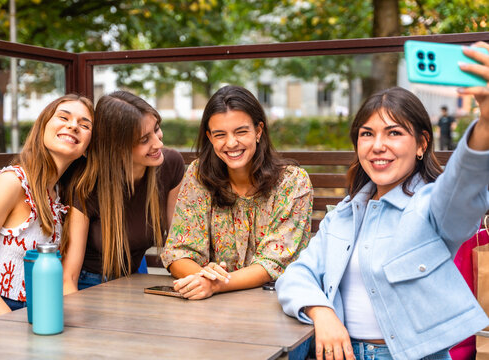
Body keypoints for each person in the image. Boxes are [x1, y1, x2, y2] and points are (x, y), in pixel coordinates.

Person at [277, 63, 489, 360]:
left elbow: (463, 186)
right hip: (339, 352)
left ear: (422, 144)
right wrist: (321, 312)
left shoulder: (431, 206)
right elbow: (296, 275)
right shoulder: (343, 214)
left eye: (393, 133)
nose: (378, 146)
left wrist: (485, 125)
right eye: (367, 134)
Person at [0, 94, 94, 328]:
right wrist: (10, 324)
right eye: (63, 117)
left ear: (87, 148)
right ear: (42, 128)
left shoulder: (59, 196)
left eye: (84, 125)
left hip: (37, 312)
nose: (73, 125)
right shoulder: (12, 182)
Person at [161, 85, 313, 300]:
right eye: (220, 134)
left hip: (276, 302)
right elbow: (179, 253)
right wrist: (204, 280)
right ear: (209, 137)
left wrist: (215, 285)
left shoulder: (292, 182)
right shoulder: (199, 175)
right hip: (211, 305)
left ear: (258, 131)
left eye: (241, 131)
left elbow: (274, 262)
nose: (231, 143)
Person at [62, 90, 184, 293]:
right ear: (117, 148)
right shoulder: (88, 184)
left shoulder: (171, 165)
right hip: (90, 283)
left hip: (134, 276)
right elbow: (69, 277)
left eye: (157, 129)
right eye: (145, 140)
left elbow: (178, 242)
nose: (158, 143)